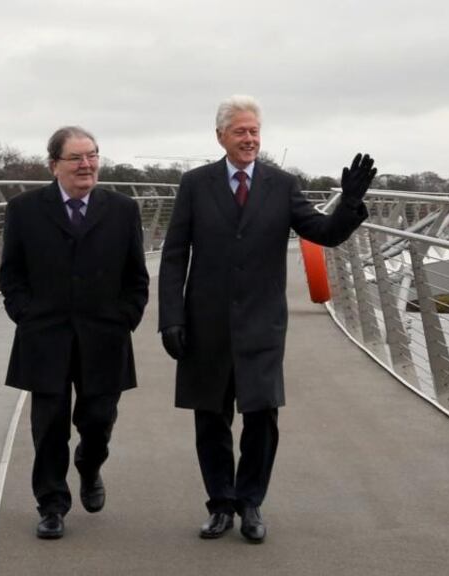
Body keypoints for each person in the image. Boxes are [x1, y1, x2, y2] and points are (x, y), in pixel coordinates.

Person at [158, 95, 376, 544]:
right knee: (211, 417)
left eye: (255, 131)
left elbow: (324, 234)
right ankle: (219, 504)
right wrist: (171, 318)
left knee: (262, 416)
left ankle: (250, 502)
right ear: (220, 136)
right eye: (240, 131)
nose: (250, 139)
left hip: (262, 322)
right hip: (207, 321)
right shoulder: (195, 184)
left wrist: (350, 205)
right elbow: (176, 255)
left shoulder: (282, 184)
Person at [0, 126, 149, 540]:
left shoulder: (121, 209)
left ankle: (90, 463)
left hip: (105, 334)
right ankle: (51, 504)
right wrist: (25, 315)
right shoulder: (25, 209)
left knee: (99, 419)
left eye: (93, 155)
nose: (87, 165)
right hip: (45, 334)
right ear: (54, 165)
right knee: (48, 425)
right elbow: (11, 274)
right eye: (76, 158)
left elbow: (136, 276)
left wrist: (126, 317)